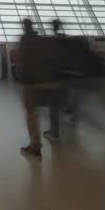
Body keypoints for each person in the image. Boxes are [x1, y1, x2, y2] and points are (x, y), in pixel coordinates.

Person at [19, 18, 62, 157]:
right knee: (49, 110)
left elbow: (24, 61)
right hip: (46, 81)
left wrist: (22, 78)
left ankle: (35, 146)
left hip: (31, 83)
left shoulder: (24, 40)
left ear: (25, 27)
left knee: (31, 116)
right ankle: (51, 133)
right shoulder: (42, 40)